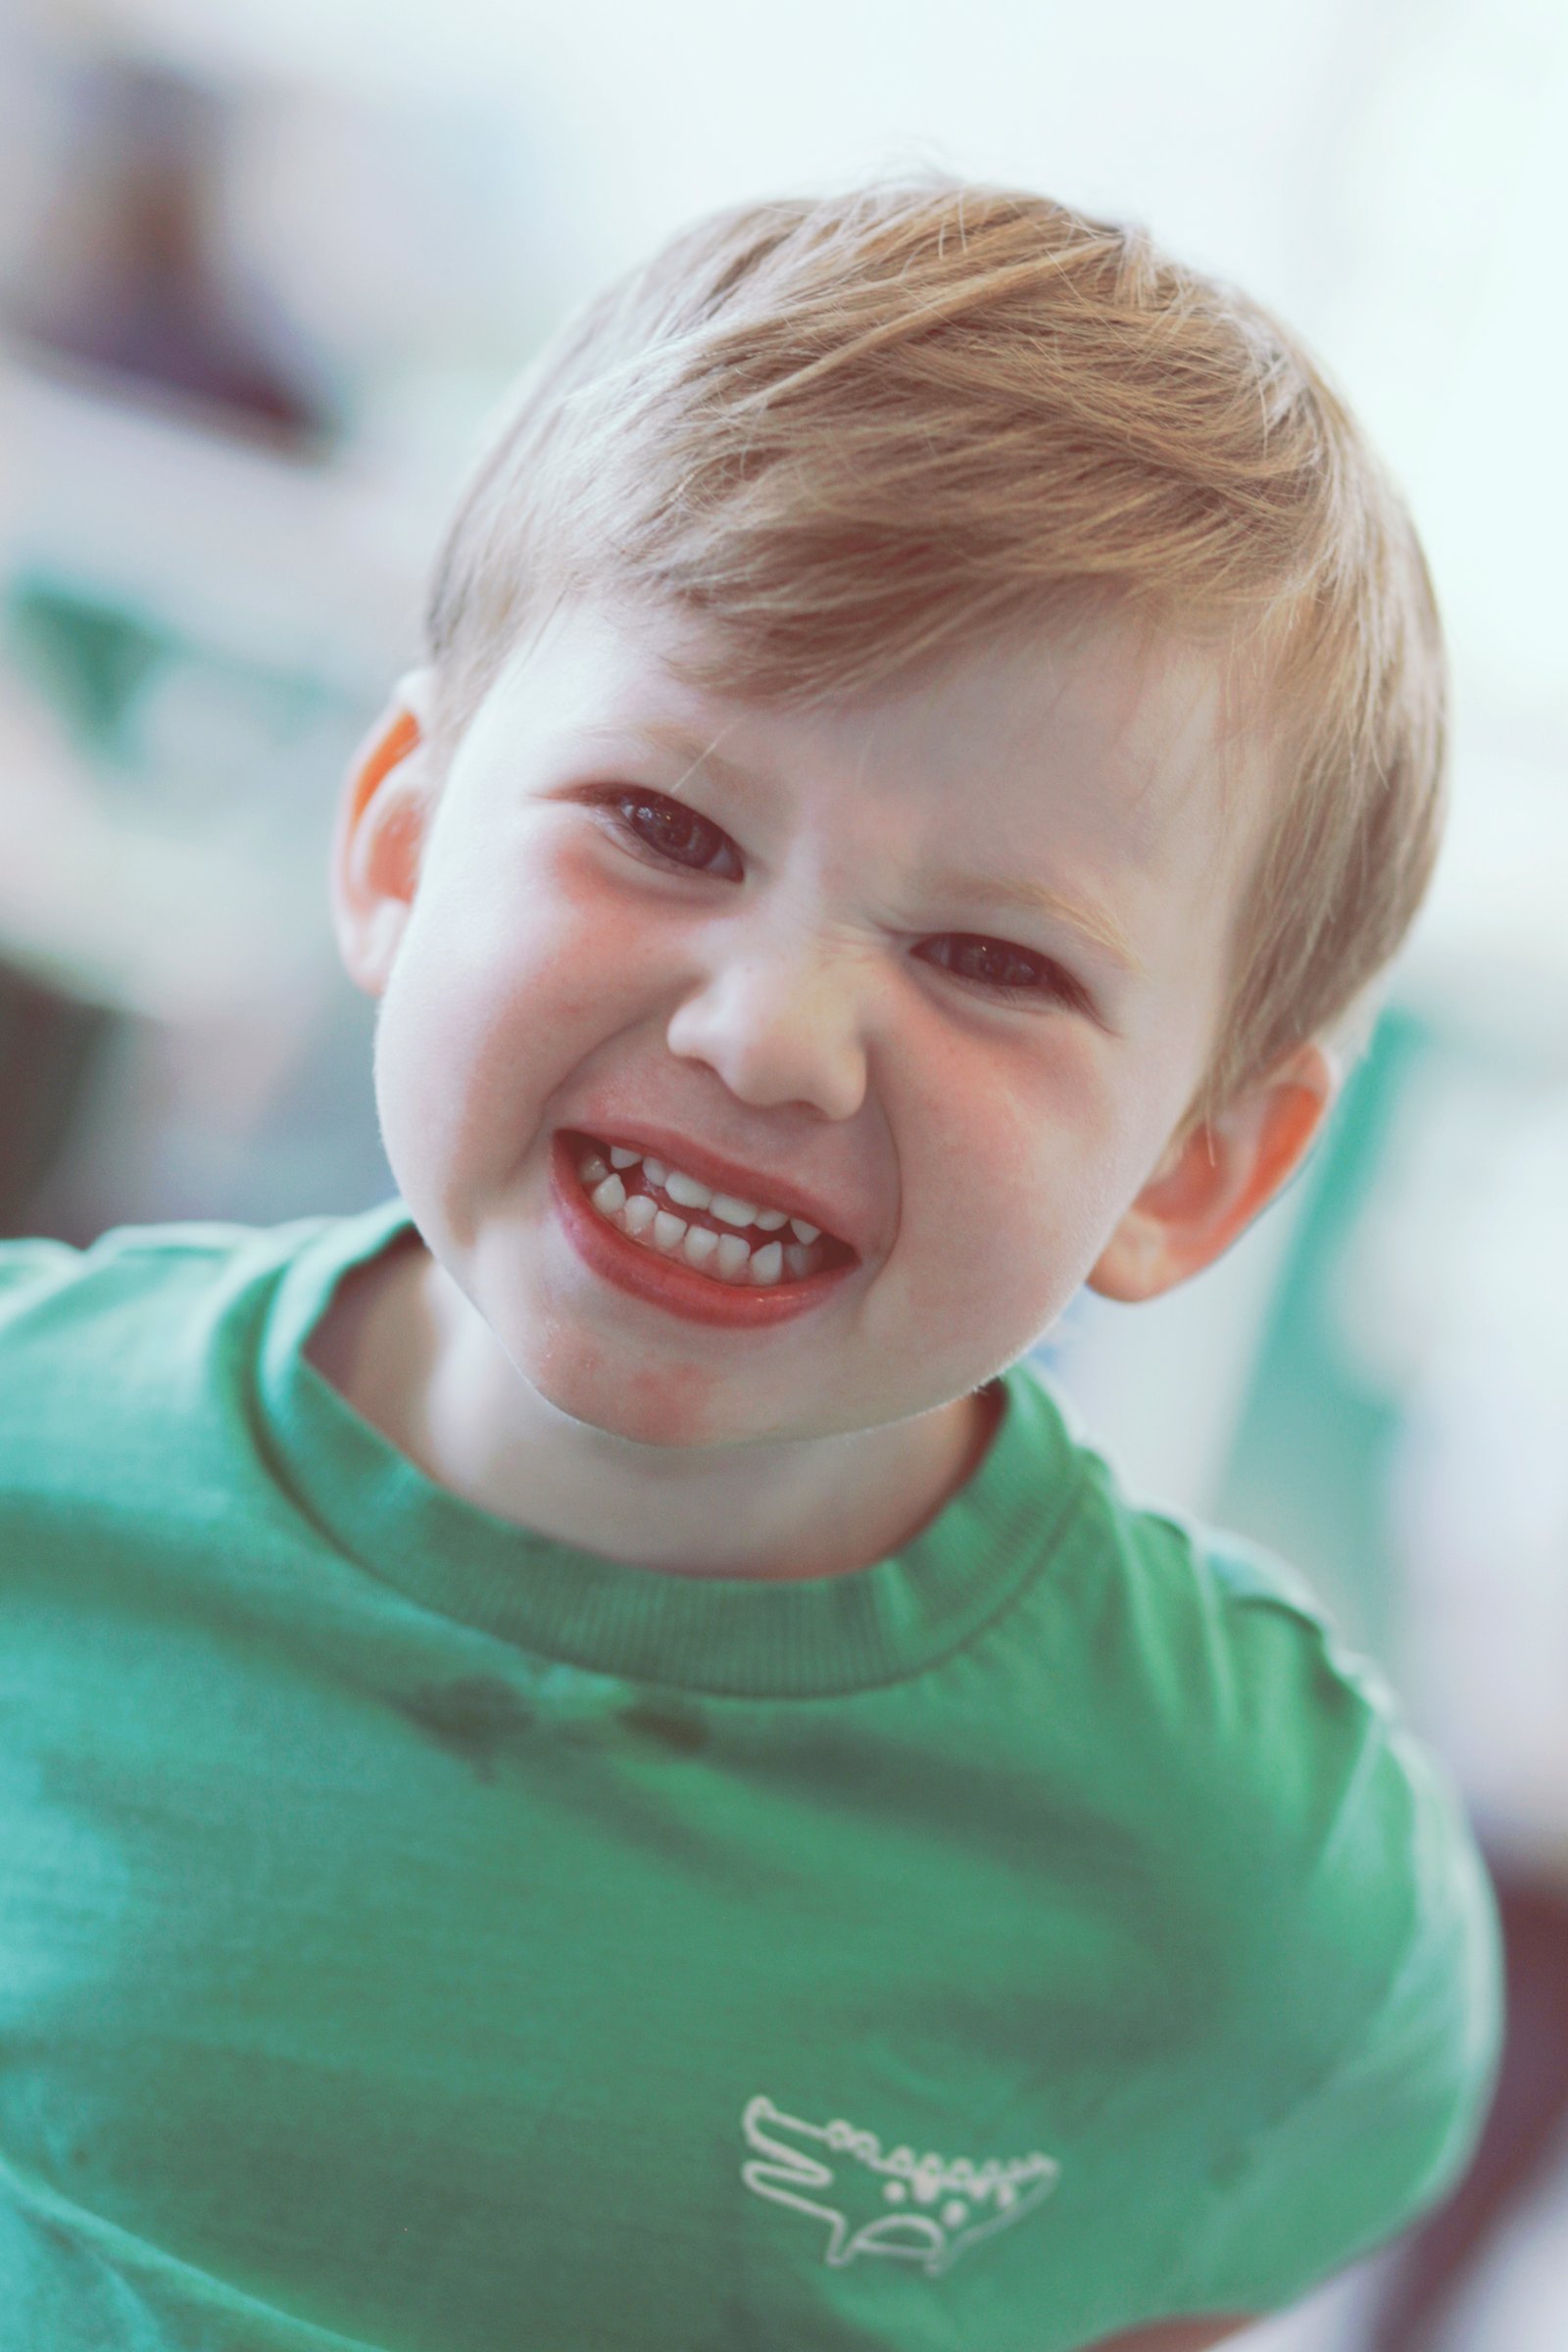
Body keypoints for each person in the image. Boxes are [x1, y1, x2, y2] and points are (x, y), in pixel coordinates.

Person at [0, 180, 1500, 2352]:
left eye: (989, 959)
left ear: (1197, 1165)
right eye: (662, 830)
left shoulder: (1253, 1871)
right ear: (401, 843)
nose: (766, 1034)